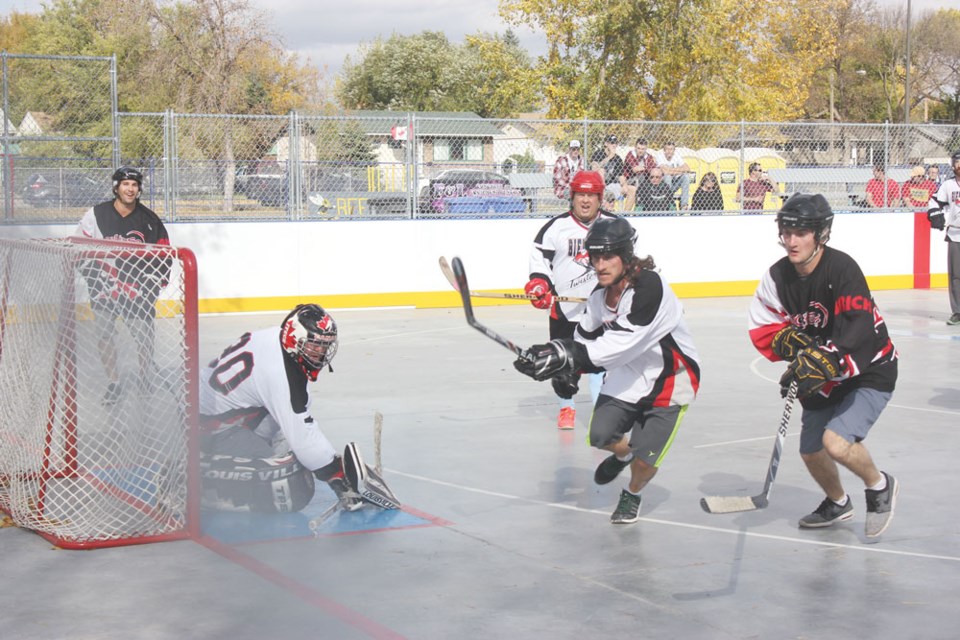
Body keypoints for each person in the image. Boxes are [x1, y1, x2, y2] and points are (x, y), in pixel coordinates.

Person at [515, 217, 701, 524]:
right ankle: (623, 453)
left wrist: (566, 355)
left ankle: (633, 492)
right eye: (595, 257)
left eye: (608, 256)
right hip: (629, 375)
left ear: (626, 255)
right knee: (600, 435)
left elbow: (620, 345)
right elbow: (583, 336)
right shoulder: (599, 297)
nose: (599, 265)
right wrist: (565, 374)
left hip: (670, 378)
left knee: (645, 460)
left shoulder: (649, 287)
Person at [749, 193, 899, 538]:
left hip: (869, 370)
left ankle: (878, 486)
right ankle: (838, 502)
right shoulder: (777, 277)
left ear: (821, 233)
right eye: (786, 231)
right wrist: (792, 348)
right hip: (825, 375)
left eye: (800, 232)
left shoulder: (842, 268)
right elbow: (765, 326)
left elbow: (859, 328)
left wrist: (824, 359)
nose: (791, 240)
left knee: (835, 442)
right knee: (812, 451)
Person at [198, 303, 364, 513]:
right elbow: (303, 437)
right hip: (208, 426)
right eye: (314, 346)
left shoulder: (273, 338)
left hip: (207, 407)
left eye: (325, 347)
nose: (320, 354)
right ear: (294, 339)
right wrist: (336, 474)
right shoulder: (281, 374)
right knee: (286, 482)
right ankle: (202, 481)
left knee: (286, 443)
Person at [526, 170, 615, 429]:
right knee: (562, 361)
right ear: (572, 197)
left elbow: (629, 262)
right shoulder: (556, 227)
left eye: (590, 195)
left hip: (603, 308)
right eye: (580, 195)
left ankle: (603, 411)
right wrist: (540, 285)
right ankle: (566, 407)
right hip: (564, 309)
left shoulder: (614, 225)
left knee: (601, 361)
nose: (585, 201)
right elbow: (540, 262)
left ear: (599, 198)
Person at [74, 166, 170, 405]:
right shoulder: (96, 215)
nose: (130, 189)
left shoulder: (149, 220)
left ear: (139, 189)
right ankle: (114, 383)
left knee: (144, 338)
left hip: (137, 293)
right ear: (116, 187)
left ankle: (145, 377)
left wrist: (153, 283)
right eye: (125, 184)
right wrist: (94, 276)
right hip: (104, 290)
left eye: (134, 185)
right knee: (105, 335)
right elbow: (78, 247)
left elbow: (164, 253)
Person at [926, 150, 960, 326]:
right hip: (955, 234)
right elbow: (934, 201)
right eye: (957, 163)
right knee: (955, 276)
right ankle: (957, 311)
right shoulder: (948, 185)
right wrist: (935, 214)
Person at [621, 138, 657, 211]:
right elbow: (635, 170)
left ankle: (641, 209)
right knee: (641, 177)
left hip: (643, 181)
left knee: (647, 179)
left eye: (643, 149)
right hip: (629, 180)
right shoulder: (630, 154)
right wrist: (646, 168)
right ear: (635, 147)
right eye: (638, 148)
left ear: (646, 149)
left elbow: (653, 170)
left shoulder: (648, 156)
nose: (640, 151)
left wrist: (643, 168)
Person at [654, 142, 692, 210]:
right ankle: (668, 202)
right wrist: (679, 170)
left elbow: (688, 169)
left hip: (674, 184)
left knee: (686, 177)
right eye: (667, 149)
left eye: (671, 149)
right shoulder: (659, 156)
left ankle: (684, 205)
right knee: (667, 176)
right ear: (664, 150)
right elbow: (665, 172)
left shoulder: (677, 156)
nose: (669, 151)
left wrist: (670, 170)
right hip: (662, 186)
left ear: (674, 150)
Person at [590, 135, 625, 202]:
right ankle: (603, 194)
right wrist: (609, 157)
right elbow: (594, 168)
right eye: (612, 143)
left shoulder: (618, 158)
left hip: (612, 184)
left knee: (631, 189)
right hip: (598, 185)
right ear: (606, 144)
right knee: (601, 170)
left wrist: (624, 185)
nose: (614, 145)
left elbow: (621, 176)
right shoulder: (598, 153)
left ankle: (624, 212)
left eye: (616, 143)